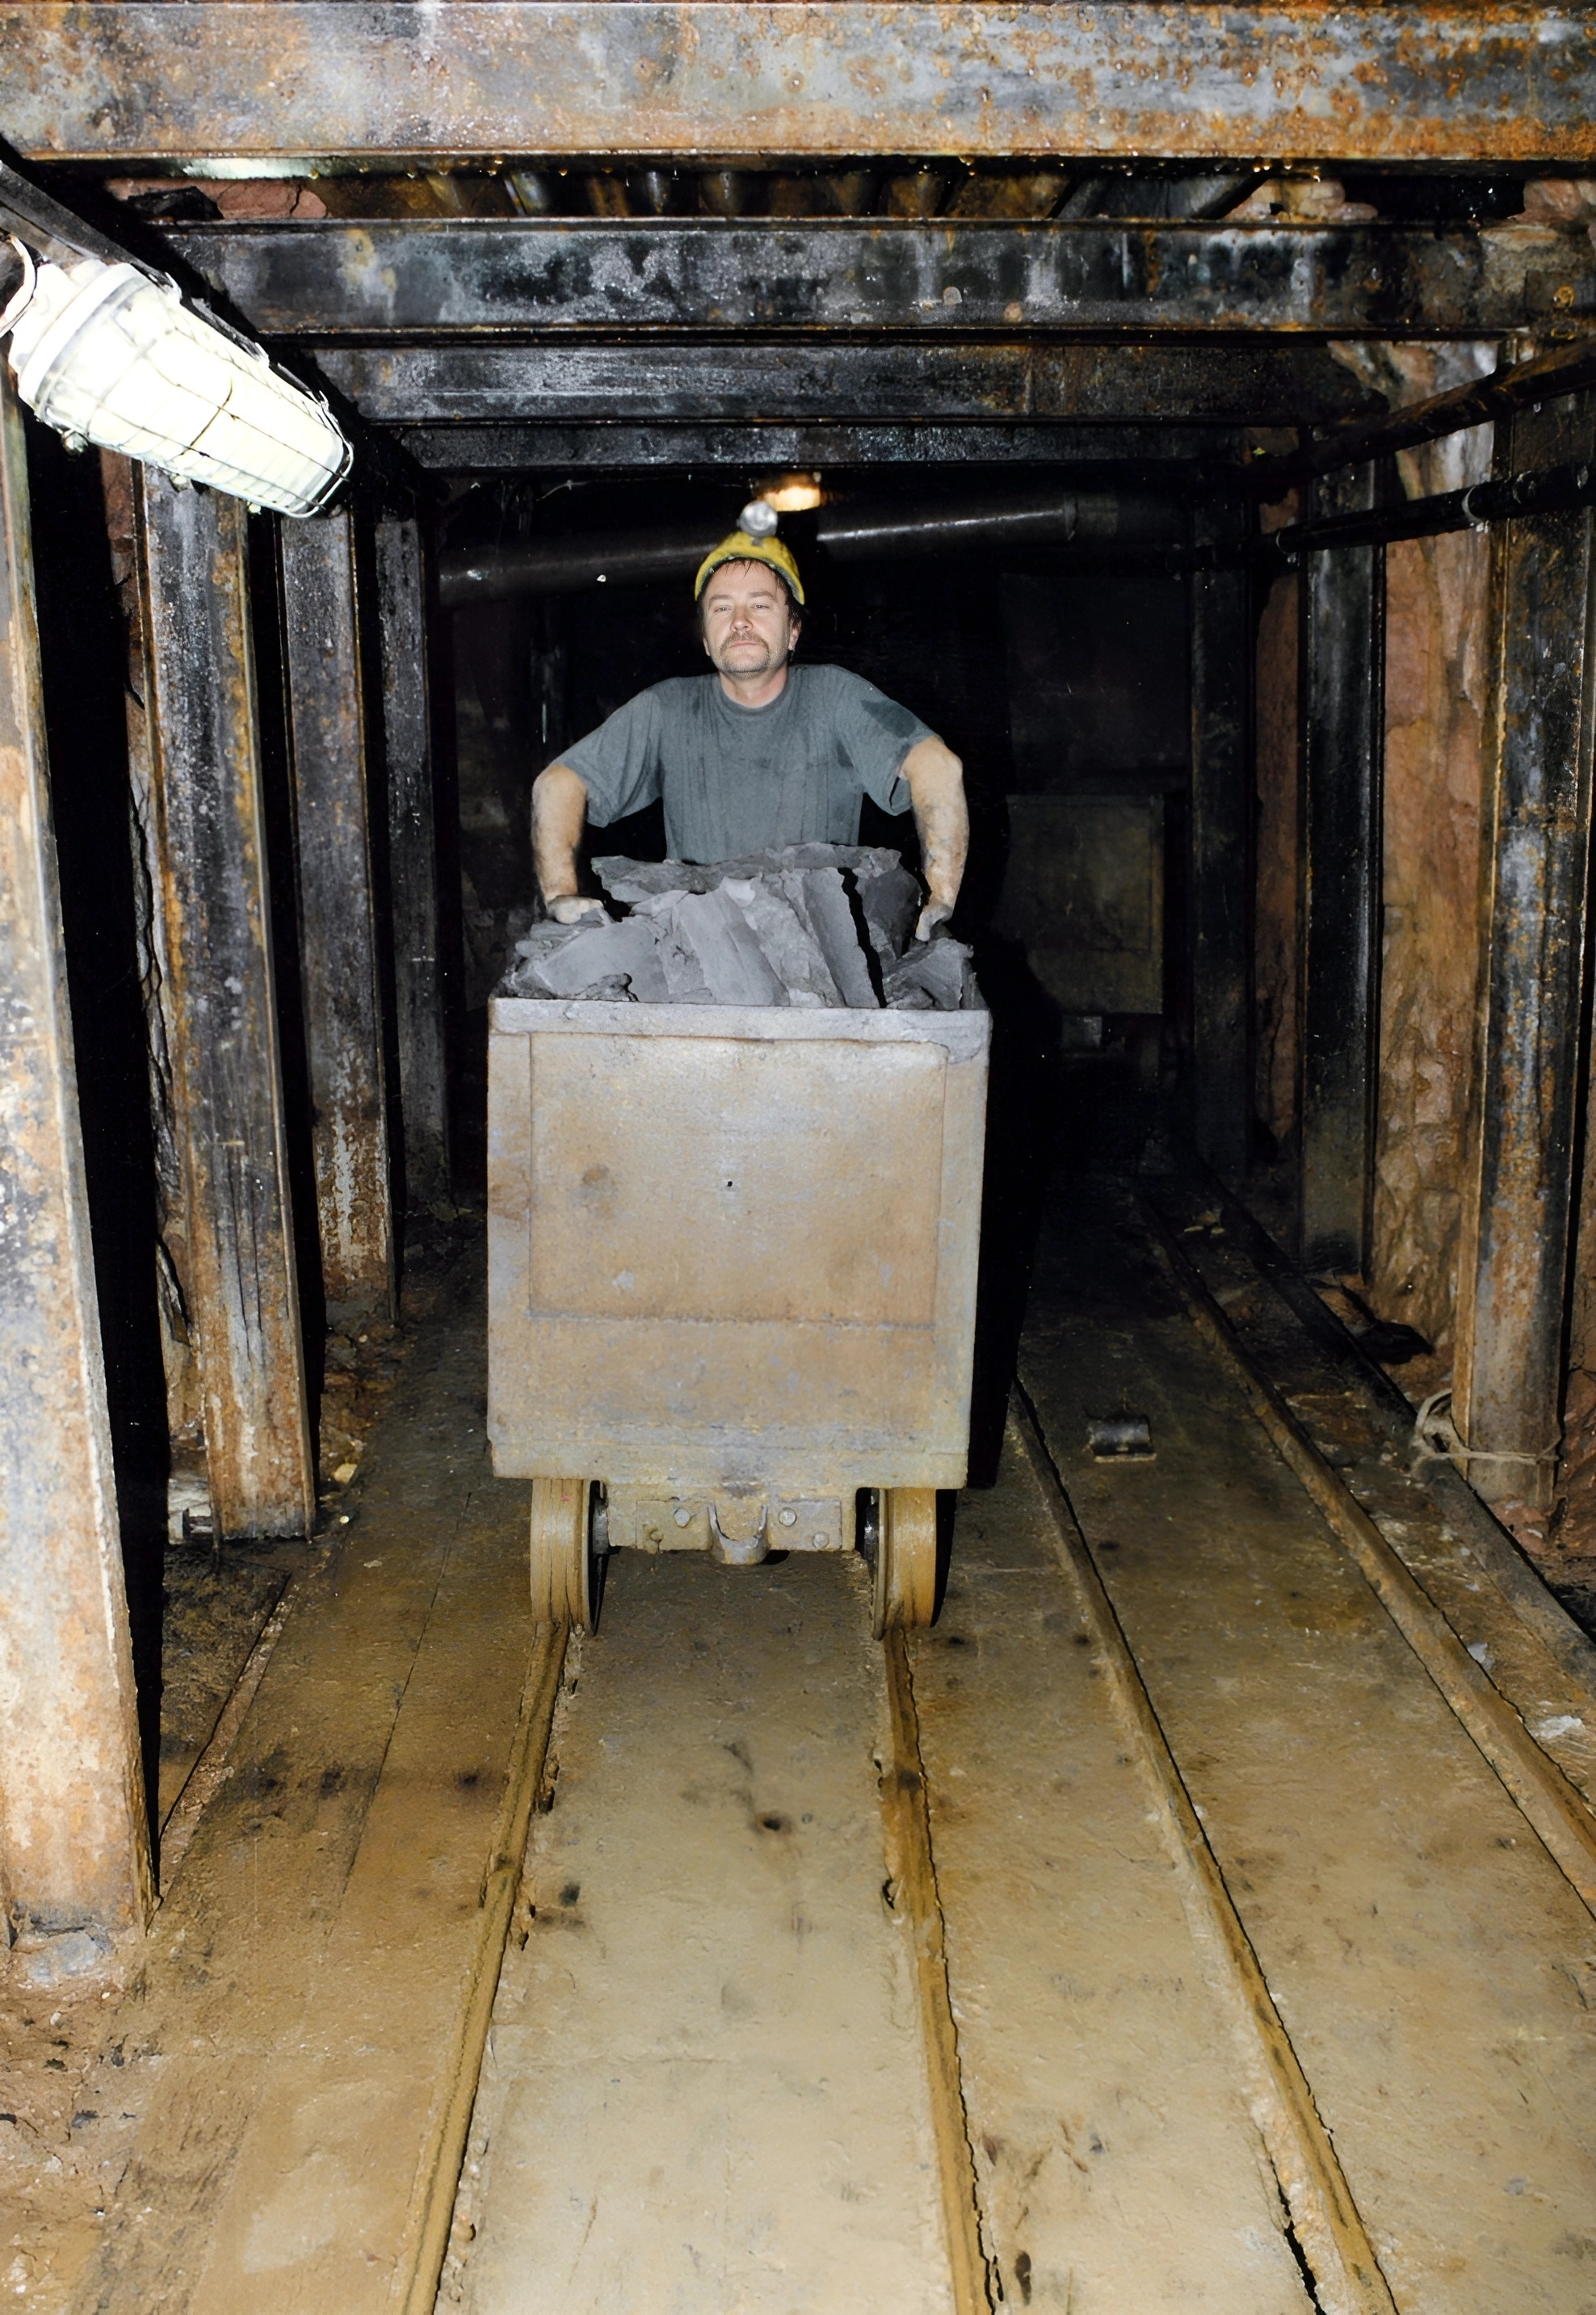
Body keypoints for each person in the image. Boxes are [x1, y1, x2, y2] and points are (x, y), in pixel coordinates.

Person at [531, 527, 968, 941]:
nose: (740, 621)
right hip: (704, 946)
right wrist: (560, 894)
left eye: (760, 605)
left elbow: (937, 766)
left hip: (817, 947)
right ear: (706, 639)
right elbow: (558, 784)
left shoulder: (835, 696)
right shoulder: (667, 709)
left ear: (793, 630)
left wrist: (940, 895)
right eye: (722, 608)